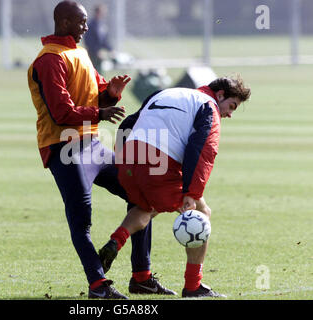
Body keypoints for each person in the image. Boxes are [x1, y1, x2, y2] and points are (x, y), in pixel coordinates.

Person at [27, 1, 175, 299]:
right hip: (65, 149)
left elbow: (96, 97)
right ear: (65, 21)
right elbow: (61, 113)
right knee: (81, 220)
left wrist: (110, 93)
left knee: (141, 195)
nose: (86, 27)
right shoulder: (48, 60)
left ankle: (141, 277)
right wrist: (100, 114)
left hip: (93, 145)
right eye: (81, 22)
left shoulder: (79, 54)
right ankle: (98, 285)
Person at [99, 76, 251, 298]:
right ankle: (193, 286)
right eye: (231, 106)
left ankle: (116, 240)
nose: (229, 113)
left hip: (129, 157)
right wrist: (192, 193)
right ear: (220, 95)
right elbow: (203, 151)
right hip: (158, 161)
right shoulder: (208, 107)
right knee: (202, 212)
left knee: (147, 206)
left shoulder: (167, 92)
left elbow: (128, 123)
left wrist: (123, 162)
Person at [83, 4, 112, 73]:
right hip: (92, 54)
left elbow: (103, 40)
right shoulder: (91, 24)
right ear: (97, 12)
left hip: (99, 55)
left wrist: (110, 49)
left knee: (100, 74)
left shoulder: (101, 24)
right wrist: (96, 52)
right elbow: (88, 40)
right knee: (93, 73)